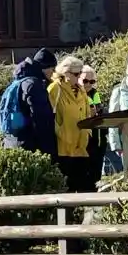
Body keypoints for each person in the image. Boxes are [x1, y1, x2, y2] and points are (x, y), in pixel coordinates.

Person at [0, 48, 57, 158]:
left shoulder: (19, 82)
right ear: (44, 68)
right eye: (52, 69)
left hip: (13, 142)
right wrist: (49, 150)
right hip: (30, 147)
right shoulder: (34, 85)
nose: (53, 73)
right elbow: (41, 120)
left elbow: (19, 119)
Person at [48, 55, 91, 191]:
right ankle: (64, 214)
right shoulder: (55, 88)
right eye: (76, 74)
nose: (79, 78)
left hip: (81, 147)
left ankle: (83, 214)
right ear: (66, 73)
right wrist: (59, 132)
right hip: (64, 148)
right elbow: (48, 116)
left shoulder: (81, 89)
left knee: (82, 188)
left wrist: (88, 133)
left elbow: (87, 113)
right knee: (65, 191)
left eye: (80, 74)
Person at [80, 64, 106, 191]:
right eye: (85, 81)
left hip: (97, 138)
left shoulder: (95, 94)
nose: (88, 84)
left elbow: (98, 111)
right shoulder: (75, 94)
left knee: (95, 172)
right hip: (80, 139)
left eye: (92, 81)